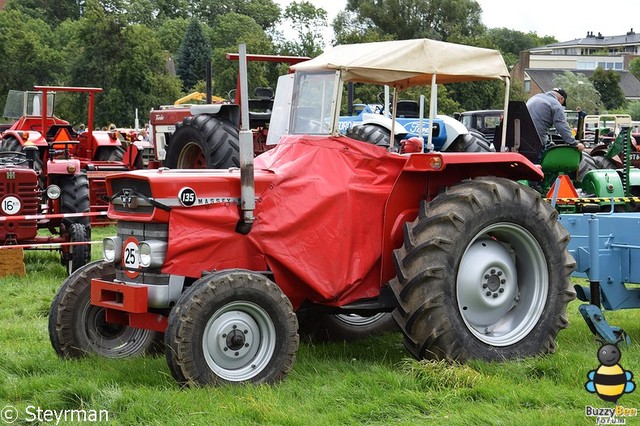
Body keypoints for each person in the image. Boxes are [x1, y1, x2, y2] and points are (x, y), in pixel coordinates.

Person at [526, 88, 585, 152]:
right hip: (537, 143)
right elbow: (561, 126)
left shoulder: (534, 97)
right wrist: (574, 143)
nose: (561, 106)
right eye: (562, 104)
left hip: (523, 140)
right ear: (562, 98)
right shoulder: (555, 104)